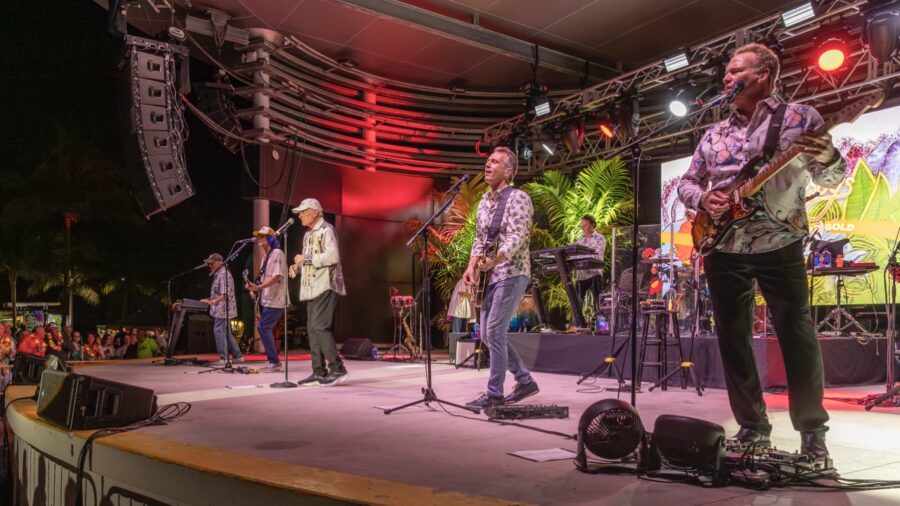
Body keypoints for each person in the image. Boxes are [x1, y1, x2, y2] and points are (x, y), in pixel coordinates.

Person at [677, 43, 845, 460]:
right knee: (733, 340)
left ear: (764, 74)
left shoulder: (799, 118)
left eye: (736, 70)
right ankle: (753, 429)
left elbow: (830, 179)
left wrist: (828, 154)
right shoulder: (714, 133)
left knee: (797, 337)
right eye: (726, 72)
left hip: (780, 240)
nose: (726, 78)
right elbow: (686, 183)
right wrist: (705, 200)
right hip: (722, 245)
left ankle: (812, 435)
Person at [462, 146, 538, 408]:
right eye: (487, 161)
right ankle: (525, 381)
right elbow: (480, 239)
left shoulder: (519, 198)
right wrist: (471, 266)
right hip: (489, 276)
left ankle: (494, 394)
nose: (488, 165)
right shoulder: (484, 201)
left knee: (494, 330)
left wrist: (494, 260)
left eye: (494, 162)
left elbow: (517, 237)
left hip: (512, 272)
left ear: (508, 170)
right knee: (487, 333)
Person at [289, 198, 348, 386]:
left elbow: (333, 256)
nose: (299, 216)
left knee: (319, 326)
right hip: (312, 287)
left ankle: (337, 368)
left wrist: (304, 259)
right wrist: (297, 267)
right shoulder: (309, 234)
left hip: (326, 285)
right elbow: (309, 260)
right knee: (312, 329)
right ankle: (318, 371)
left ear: (314, 212)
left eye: (303, 212)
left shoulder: (326, 230)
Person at [245, 226, 288, 371]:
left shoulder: (277, 253)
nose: (259, 239)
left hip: (277, 299)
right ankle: (273, 361)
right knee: (264, 327)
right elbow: (264, 279)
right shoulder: (265, 257)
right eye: (259, 237)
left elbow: (277, 276)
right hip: (268, 299)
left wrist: (259, 288)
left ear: (270, 238)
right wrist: (255, 288)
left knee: (263, 327)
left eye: (262, 237)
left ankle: (274, 361)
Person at [200, 253, 245, 365]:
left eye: (211, 263)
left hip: (223, 308)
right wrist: (209, 299)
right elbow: (219, 292)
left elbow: (225, 294)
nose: (209, 266)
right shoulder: (219, 274)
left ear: (218, 262)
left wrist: (212, 302)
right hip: (221, 308)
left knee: (218, 330)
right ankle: (238, 356)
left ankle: (223, 357)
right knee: (226, 332)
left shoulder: (224, 274)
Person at [572, 214, 606, 315]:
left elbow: (597, 254)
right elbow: (575, 256)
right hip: (581, 276)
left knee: (599, 303)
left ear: (592, 225)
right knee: (577, 304)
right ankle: (578, 327)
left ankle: (602, 329)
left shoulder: (600, 238)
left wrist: (581, 253)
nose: (583, 228)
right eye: (581, 226)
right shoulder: (580, 239)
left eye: (585, 225)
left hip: (594, 274)